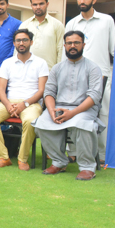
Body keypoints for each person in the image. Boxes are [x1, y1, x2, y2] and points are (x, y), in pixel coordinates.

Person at [33, 31, 104, 181]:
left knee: (82, 124)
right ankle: (59, 161)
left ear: (83, 45)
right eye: (69, 43)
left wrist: (72, 113)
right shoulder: (57, 68)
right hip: (59, 107)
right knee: (42, 123)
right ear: (64, 45)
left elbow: (94, 96)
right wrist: (51, 111)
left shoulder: (93, 68)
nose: (73, 46)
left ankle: (87, 167)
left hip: (84, 109)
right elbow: (49, 92)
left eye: (76, 43)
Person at [64, 0, 115, 165]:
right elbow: (66, 53)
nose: (82, 1)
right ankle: (73, 152)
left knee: (103, 114)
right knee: (73, 111)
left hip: (101, 76)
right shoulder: (72, 23)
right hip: (75, 76)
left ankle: (101, 154)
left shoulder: (106, 20)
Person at [0, 29, 49, 171]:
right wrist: (8, 105)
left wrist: (24, 104)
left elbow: (41, 91)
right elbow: (1, 89)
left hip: (31, 103)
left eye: (25, 40)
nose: (21, 43)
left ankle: (22, 159)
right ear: (14, 43)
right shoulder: (7, 63)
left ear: (31, 42)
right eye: (18, 40)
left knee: (30, 121)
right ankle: (4, 157)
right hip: (10, 102)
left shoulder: (41, 63)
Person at [18, 0, 64, 70]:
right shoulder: (25, 25)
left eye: (41, 4)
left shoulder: (57, 25)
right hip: (27, 71)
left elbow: (61, 49)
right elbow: (18, 48)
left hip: (49, 71)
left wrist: (59, 70)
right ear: (31, 6)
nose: (38, 7)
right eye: (35, 4)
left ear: (47, 4)